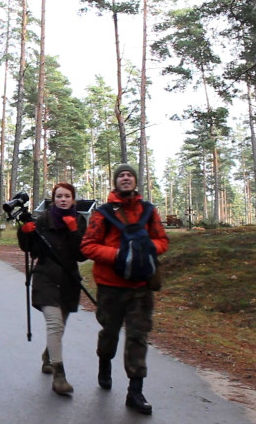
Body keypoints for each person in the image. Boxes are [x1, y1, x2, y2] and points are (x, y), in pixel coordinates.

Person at [81, 163, 169, 415]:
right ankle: (104, 362)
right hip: (111, 287)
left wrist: (147, 250)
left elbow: (162, 240)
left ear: (135, 181)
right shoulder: (103, 213)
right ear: (116, 182)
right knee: (109, 332)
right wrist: (118, 255)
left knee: (138, 336)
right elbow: (88, 246)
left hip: (141, 286)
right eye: (121, 175)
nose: (126, 178)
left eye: (130, 175)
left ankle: (135, 391)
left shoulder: (148, 211)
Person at [18, 182, 87, 395]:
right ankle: (59, 375)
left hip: (68, 280)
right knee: (55, 324)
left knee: (61, 325)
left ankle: (48, 355)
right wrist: (25, 233)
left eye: (67, 196)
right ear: (53, 199)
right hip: (45, 278)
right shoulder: (43, 220)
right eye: (59, 196)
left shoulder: (79, 220)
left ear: (73, 199)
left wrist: (74, 231)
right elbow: (30, 249)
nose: (63, 199)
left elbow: (81, 255)